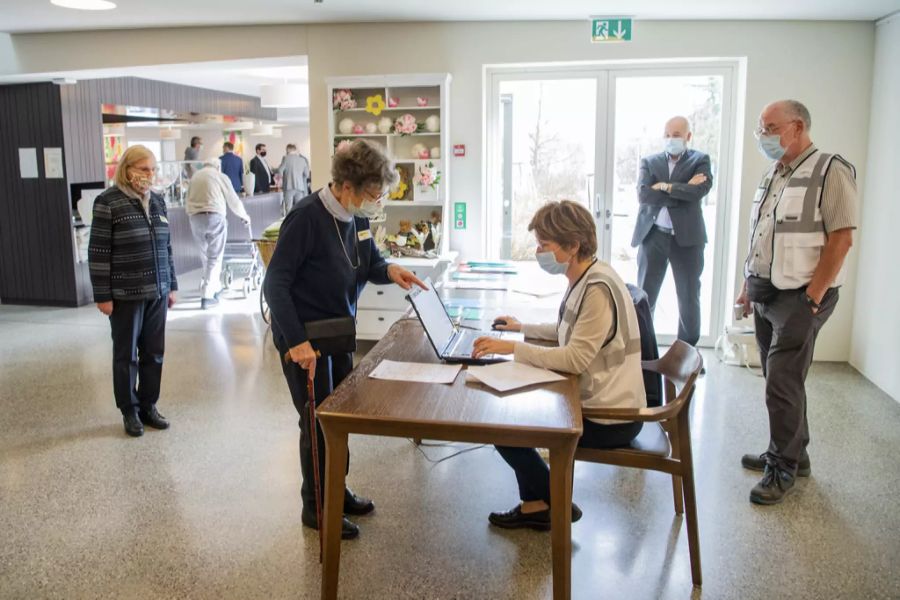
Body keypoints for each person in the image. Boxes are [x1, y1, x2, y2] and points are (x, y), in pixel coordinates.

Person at [263, 139, 426, 540]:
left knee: (338, 420)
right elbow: (275, 284)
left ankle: (338, 489)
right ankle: (316, 508)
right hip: (306, 342)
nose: (376, 202)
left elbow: (368, 263)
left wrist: (390, 271)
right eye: (373, 194)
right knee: (316, 422)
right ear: (347, 185)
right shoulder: (306, 218)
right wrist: (297, 342)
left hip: (337, 333)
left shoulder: (358, 219)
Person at [472, 200, 646, 530]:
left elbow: (575, 358)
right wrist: (520, 328)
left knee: (503, 424)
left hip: (610, 416)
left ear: (573, 244)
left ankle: (556, 498)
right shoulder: (587, 275)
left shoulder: (596, 289)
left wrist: (513, 348)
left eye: (544, 245)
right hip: (595, 401)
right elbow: (568, 331)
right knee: (509, 416)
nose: (539, 252)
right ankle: (538, 504)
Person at [736, 100, 856, 505]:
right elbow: (762, 235)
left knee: (781, 382)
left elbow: (842, 238)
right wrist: (746, 286)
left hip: (801, 297)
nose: (762, 135)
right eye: (761, 128)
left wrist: (813, 298)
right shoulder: (775, 173)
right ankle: (795, 454)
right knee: (781, 378)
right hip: (767, 292)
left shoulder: (830, 169)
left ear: (798, 126)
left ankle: (782, 467)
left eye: (769, 127)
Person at [88, 145, 178, 438]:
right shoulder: (108, 202)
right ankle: (129, 409)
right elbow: (98, 251)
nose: (149, 175)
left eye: (152, 169)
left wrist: (172, 285)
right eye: (143, 169)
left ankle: (148, 405)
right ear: (127, 170)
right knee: (126, 354)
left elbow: (166, 248)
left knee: (154, 352)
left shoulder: (158, 201)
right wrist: (103, 295)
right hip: (125, 294)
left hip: (158, 290)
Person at [631, 116, 713, 346]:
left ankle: (686, 353)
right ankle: (642, 349)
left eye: (676, 135)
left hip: (687, 240)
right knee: (644, 297)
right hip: (653, 235)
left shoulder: (700, 160)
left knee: (688, 298)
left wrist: (665, 187)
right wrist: (683, 189)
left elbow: (698, 192)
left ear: (688, 136)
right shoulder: (649, 161)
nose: (671, 139)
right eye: (667, 134)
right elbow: (644, 195)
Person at [185, 157, 252, 309]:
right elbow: (233, 200)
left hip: (195, 218)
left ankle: (213, 286)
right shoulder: (219, 176)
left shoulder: (195, 176)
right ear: (218, 166)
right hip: (214, 216)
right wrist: (244, 216)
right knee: (214, 256)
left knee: (205, 255)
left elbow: (186, 198)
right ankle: (208, 296)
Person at [275, 143, 311, 215]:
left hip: (289, 187)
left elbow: (280, 171)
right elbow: (307, 175)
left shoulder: (286, 158)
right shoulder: (302, 160)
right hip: (300, 188)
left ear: (288, 150)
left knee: (289, 208)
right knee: (299, 208)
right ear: (295, 150)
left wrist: (281, 179)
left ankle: (289, 224)